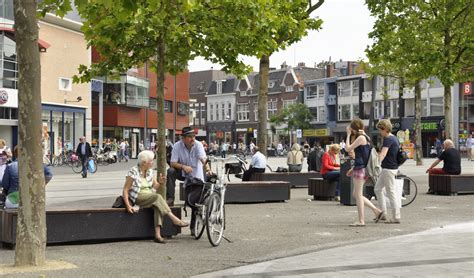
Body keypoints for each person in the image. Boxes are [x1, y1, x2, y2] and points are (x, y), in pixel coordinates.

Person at [122, 150, 188, 244]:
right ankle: (174, 219)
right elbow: (125, 190)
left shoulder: (149, 171)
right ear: (144, 163)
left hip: (149, 196)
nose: (153, 163)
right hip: (138, 196)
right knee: (157, 197)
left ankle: (157, 235)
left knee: (157, 205)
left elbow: (155, 186)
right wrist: (128, 206)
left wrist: (160, 182)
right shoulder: (133, 172)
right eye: (151, 161)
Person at [344, 119, 383, 227]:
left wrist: (347, 135)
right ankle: (376, 211)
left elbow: (348, 148)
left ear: (353, 128)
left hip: (360, 168)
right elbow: (363, 155)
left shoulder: (361, 138)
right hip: (361, 168)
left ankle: (361, 220)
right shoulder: (365, 137)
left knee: (358, 195)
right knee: (356, 194)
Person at [167, 127, 207, 208]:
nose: (192, 139)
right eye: (190, 137)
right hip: (182, 172)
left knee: (195, 201)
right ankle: (170, 199)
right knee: (170, 171)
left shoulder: (198, 145)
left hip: (195, 174)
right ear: (183, 138)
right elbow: (172, 163)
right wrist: (183, 167)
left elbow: (203, 158)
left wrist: (207, 167)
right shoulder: (177, 146)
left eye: (193, 136)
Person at [374, 119, 400, 224]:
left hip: (388, 169)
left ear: (384, 129)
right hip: (391, 168)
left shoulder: (388, 139)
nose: (380, 133)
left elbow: (383, 153)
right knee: (378, 189)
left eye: (380, 130)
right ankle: (383, 213)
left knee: (391, 193)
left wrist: (377, 164)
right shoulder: (394, 138)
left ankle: (396, 217)